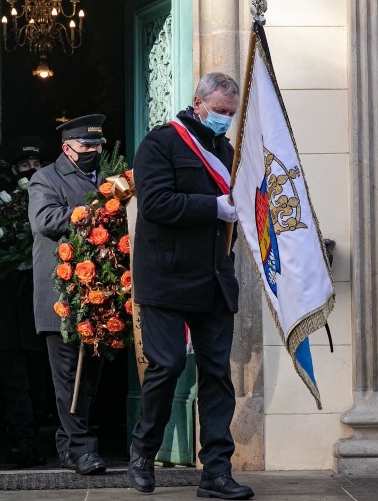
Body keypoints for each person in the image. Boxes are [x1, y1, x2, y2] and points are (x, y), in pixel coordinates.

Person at [127, 73, 254, 500]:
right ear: (197, 102)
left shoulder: (226, 151)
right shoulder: (161, 143)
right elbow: (157, 203)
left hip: (214, 279)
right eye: (219, 111)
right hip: (166, 277)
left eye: (231, 114)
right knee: (167, 366)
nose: (224, 120)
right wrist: (214, 206)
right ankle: (144, 451)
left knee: (218, 376)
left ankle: (216, 473)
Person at [28, 114, 108, 476]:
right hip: (62, 294)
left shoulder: (110, 178)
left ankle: (68, 443)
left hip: (101, 294)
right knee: (67, 376)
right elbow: (45, 220)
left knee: (89, 376)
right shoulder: (45, 178)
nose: (94, 151)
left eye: (98, 145)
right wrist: (95, 212)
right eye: (86, 146)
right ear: (67, 148)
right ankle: (83, 448)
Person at [0, 135, 47, 468]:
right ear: (12, 170)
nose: (32, 171)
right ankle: (18, 440)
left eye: (37, 165)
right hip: (8, 302)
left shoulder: (47, 197)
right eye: (25, 166)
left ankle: (34, 437)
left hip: (36, 304)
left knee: (39, 377)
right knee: (12, 376)